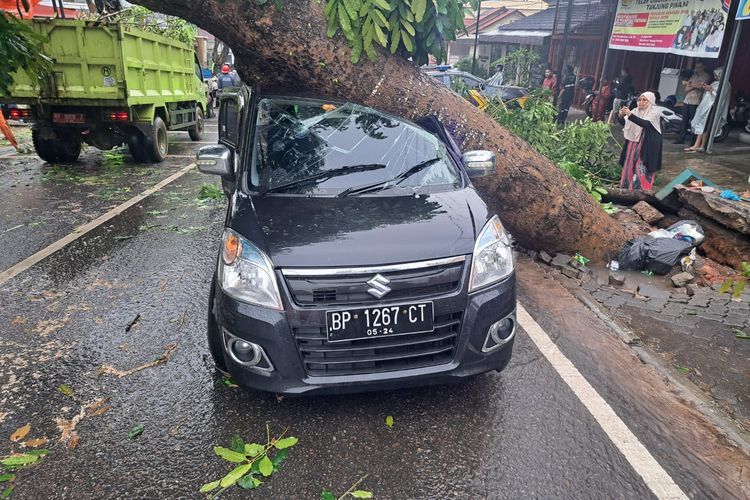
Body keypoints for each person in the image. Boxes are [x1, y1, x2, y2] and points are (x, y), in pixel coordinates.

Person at [618, 92, 662, 191]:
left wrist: (629, 114)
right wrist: (621, 115)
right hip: (634, 142)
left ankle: (642, 189)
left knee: (642, 164)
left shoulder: (654, 112)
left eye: (644, 100)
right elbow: (625, 122)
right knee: (630, 162)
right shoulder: (635, 110)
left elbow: (645, 124)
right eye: (639, 100)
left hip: (648, 143)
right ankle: (627, 186)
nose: (641, 102)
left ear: (650, 101)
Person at [686, 67, 729, 152]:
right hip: (706, 107)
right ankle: (696, 145)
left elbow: (719, 97)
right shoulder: (715, 83)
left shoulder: (725, 84)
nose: (715, 77)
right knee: (701, 125)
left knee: (706, 127)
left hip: (712, 108)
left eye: (717, 75)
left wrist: (710, 90)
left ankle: (702, 145)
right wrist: (707, 88)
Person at [676, 60, 710, 144]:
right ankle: (681, 138)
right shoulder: (693, 76)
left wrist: (690, 84)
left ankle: (693, 140)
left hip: (696, 102)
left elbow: (702, 86)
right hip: (687, 100)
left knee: (694, 121)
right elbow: (686, 88)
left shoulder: (706, 76)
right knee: (684, 121)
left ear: (704, 67)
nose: (697, 69)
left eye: (699, 67)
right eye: (696, 67)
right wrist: (694, 85)